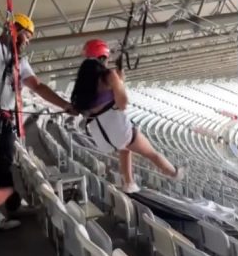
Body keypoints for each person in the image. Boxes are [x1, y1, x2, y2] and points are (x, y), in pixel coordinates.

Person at [0, 14, 75, 229]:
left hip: (5, 119)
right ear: (13, 29)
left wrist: (65, 105)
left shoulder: (19, 62)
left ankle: (13, 205)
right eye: (26, 35)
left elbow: (38, 86)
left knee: (5, 164)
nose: (28, 41)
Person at [75, 39, 184, 194]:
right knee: (151, 153)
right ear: (103, 57)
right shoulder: (109, 75)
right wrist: (120, 82)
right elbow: (123, 103)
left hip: (100, 136)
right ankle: (174, 173)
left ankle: (129, 183)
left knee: (125, 148)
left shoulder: (82, 82)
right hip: (117, 128)